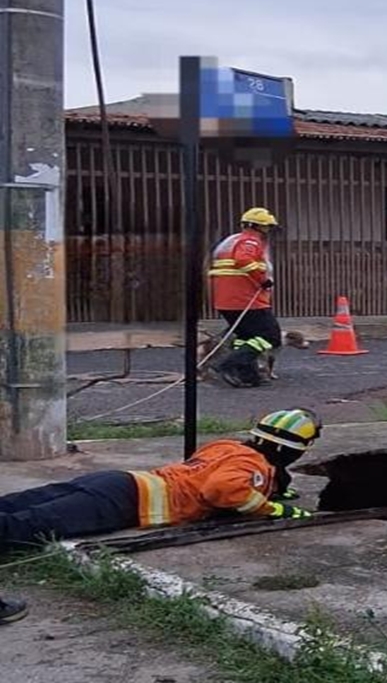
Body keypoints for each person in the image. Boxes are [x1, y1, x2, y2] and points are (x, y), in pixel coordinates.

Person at [0, 409, 321, 553]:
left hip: (119, 482)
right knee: (25, 526)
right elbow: (222, 490)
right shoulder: (255, 465)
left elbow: (214, 474)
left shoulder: (229, 446)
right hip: (127, 502)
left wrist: (274, 491)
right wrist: (274, 510)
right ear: (293, 450)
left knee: (23, 504)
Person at [209, 207, 282, 388]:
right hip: (246, 300)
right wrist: (263, 280)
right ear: (257, 227)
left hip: (227, 301)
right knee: (270, 336)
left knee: (245, 336)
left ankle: (248, 375)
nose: (268, 232)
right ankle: (228, 364)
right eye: (267, 227)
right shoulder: (250, 240)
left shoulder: (231, 241)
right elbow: (243, 260)